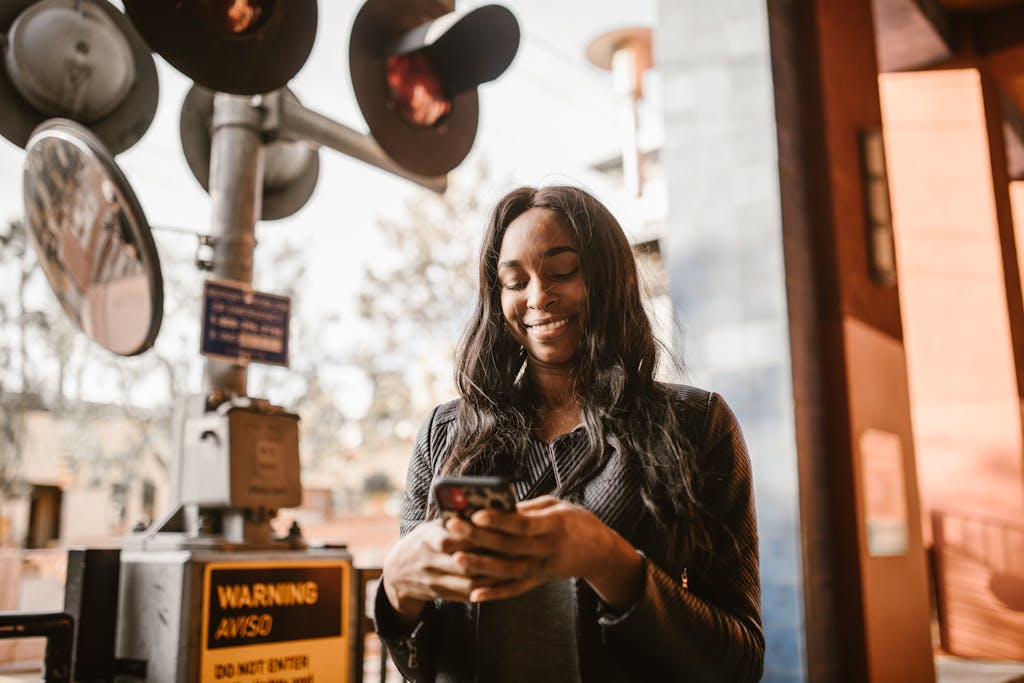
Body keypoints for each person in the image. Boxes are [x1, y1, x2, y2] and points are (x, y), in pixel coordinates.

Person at [373, 185, 764, 682]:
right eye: (515, 282)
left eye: (562, 271)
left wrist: (608, 560)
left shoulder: (696, 423)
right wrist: (396, 593)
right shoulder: (445, 433)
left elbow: (741, 662)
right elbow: (417, 666)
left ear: (608, 276)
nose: (538, 297)